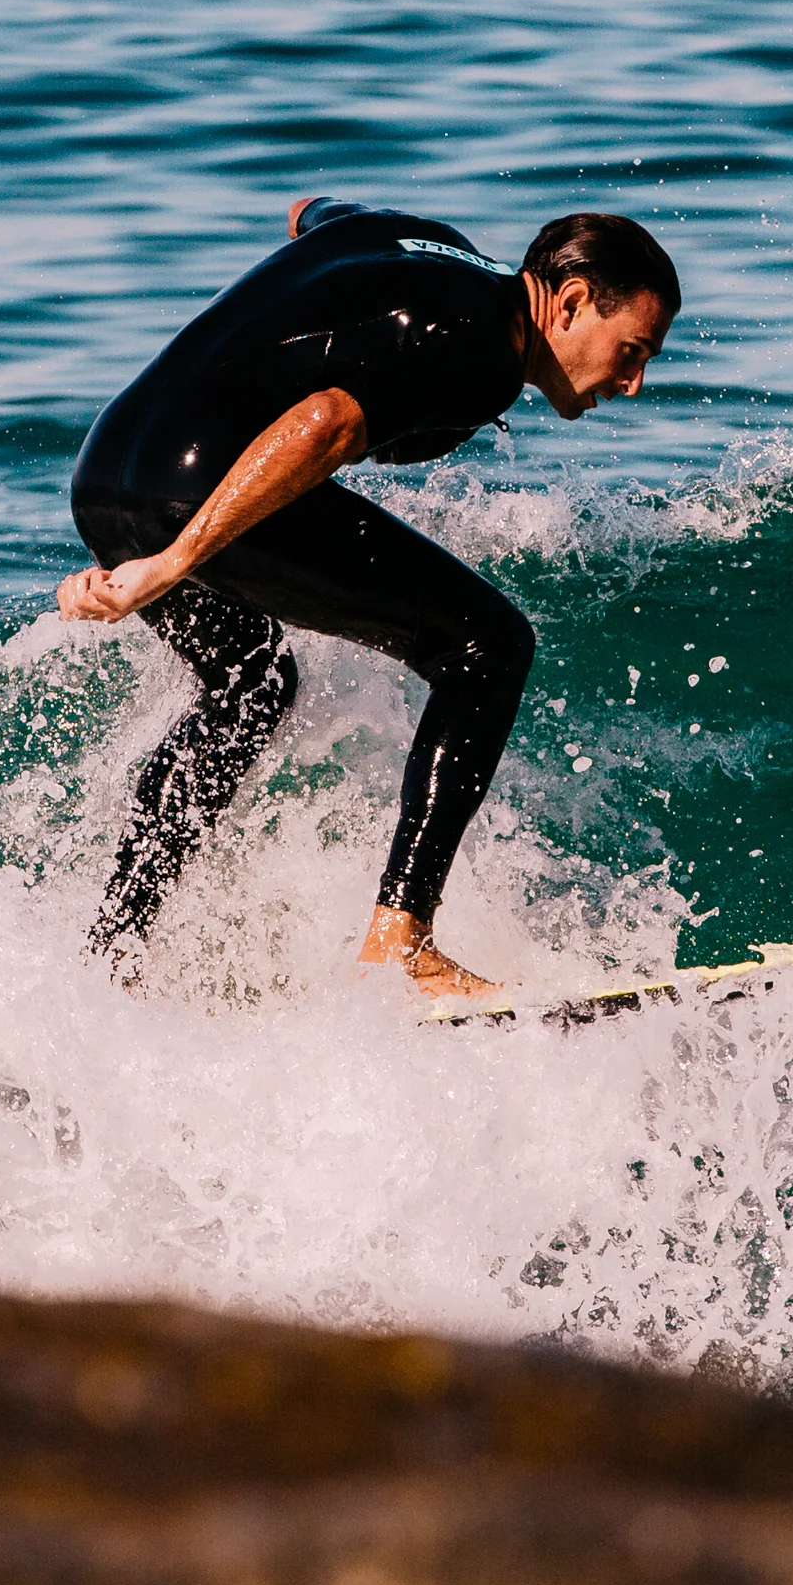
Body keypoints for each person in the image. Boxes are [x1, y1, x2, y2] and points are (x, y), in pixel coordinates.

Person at [56, 197, 678, 998]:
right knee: (488, 647)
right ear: (570, 302)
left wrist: (311, 216)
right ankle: (402, 941)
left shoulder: (432, 245)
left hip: (107, 471)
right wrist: (171, 563)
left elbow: (316, 217)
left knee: (252, 683)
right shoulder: (483, 347)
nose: (631, 383)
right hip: (192, 496)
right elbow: (324, 426)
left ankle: (114, 953)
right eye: (633, 351)